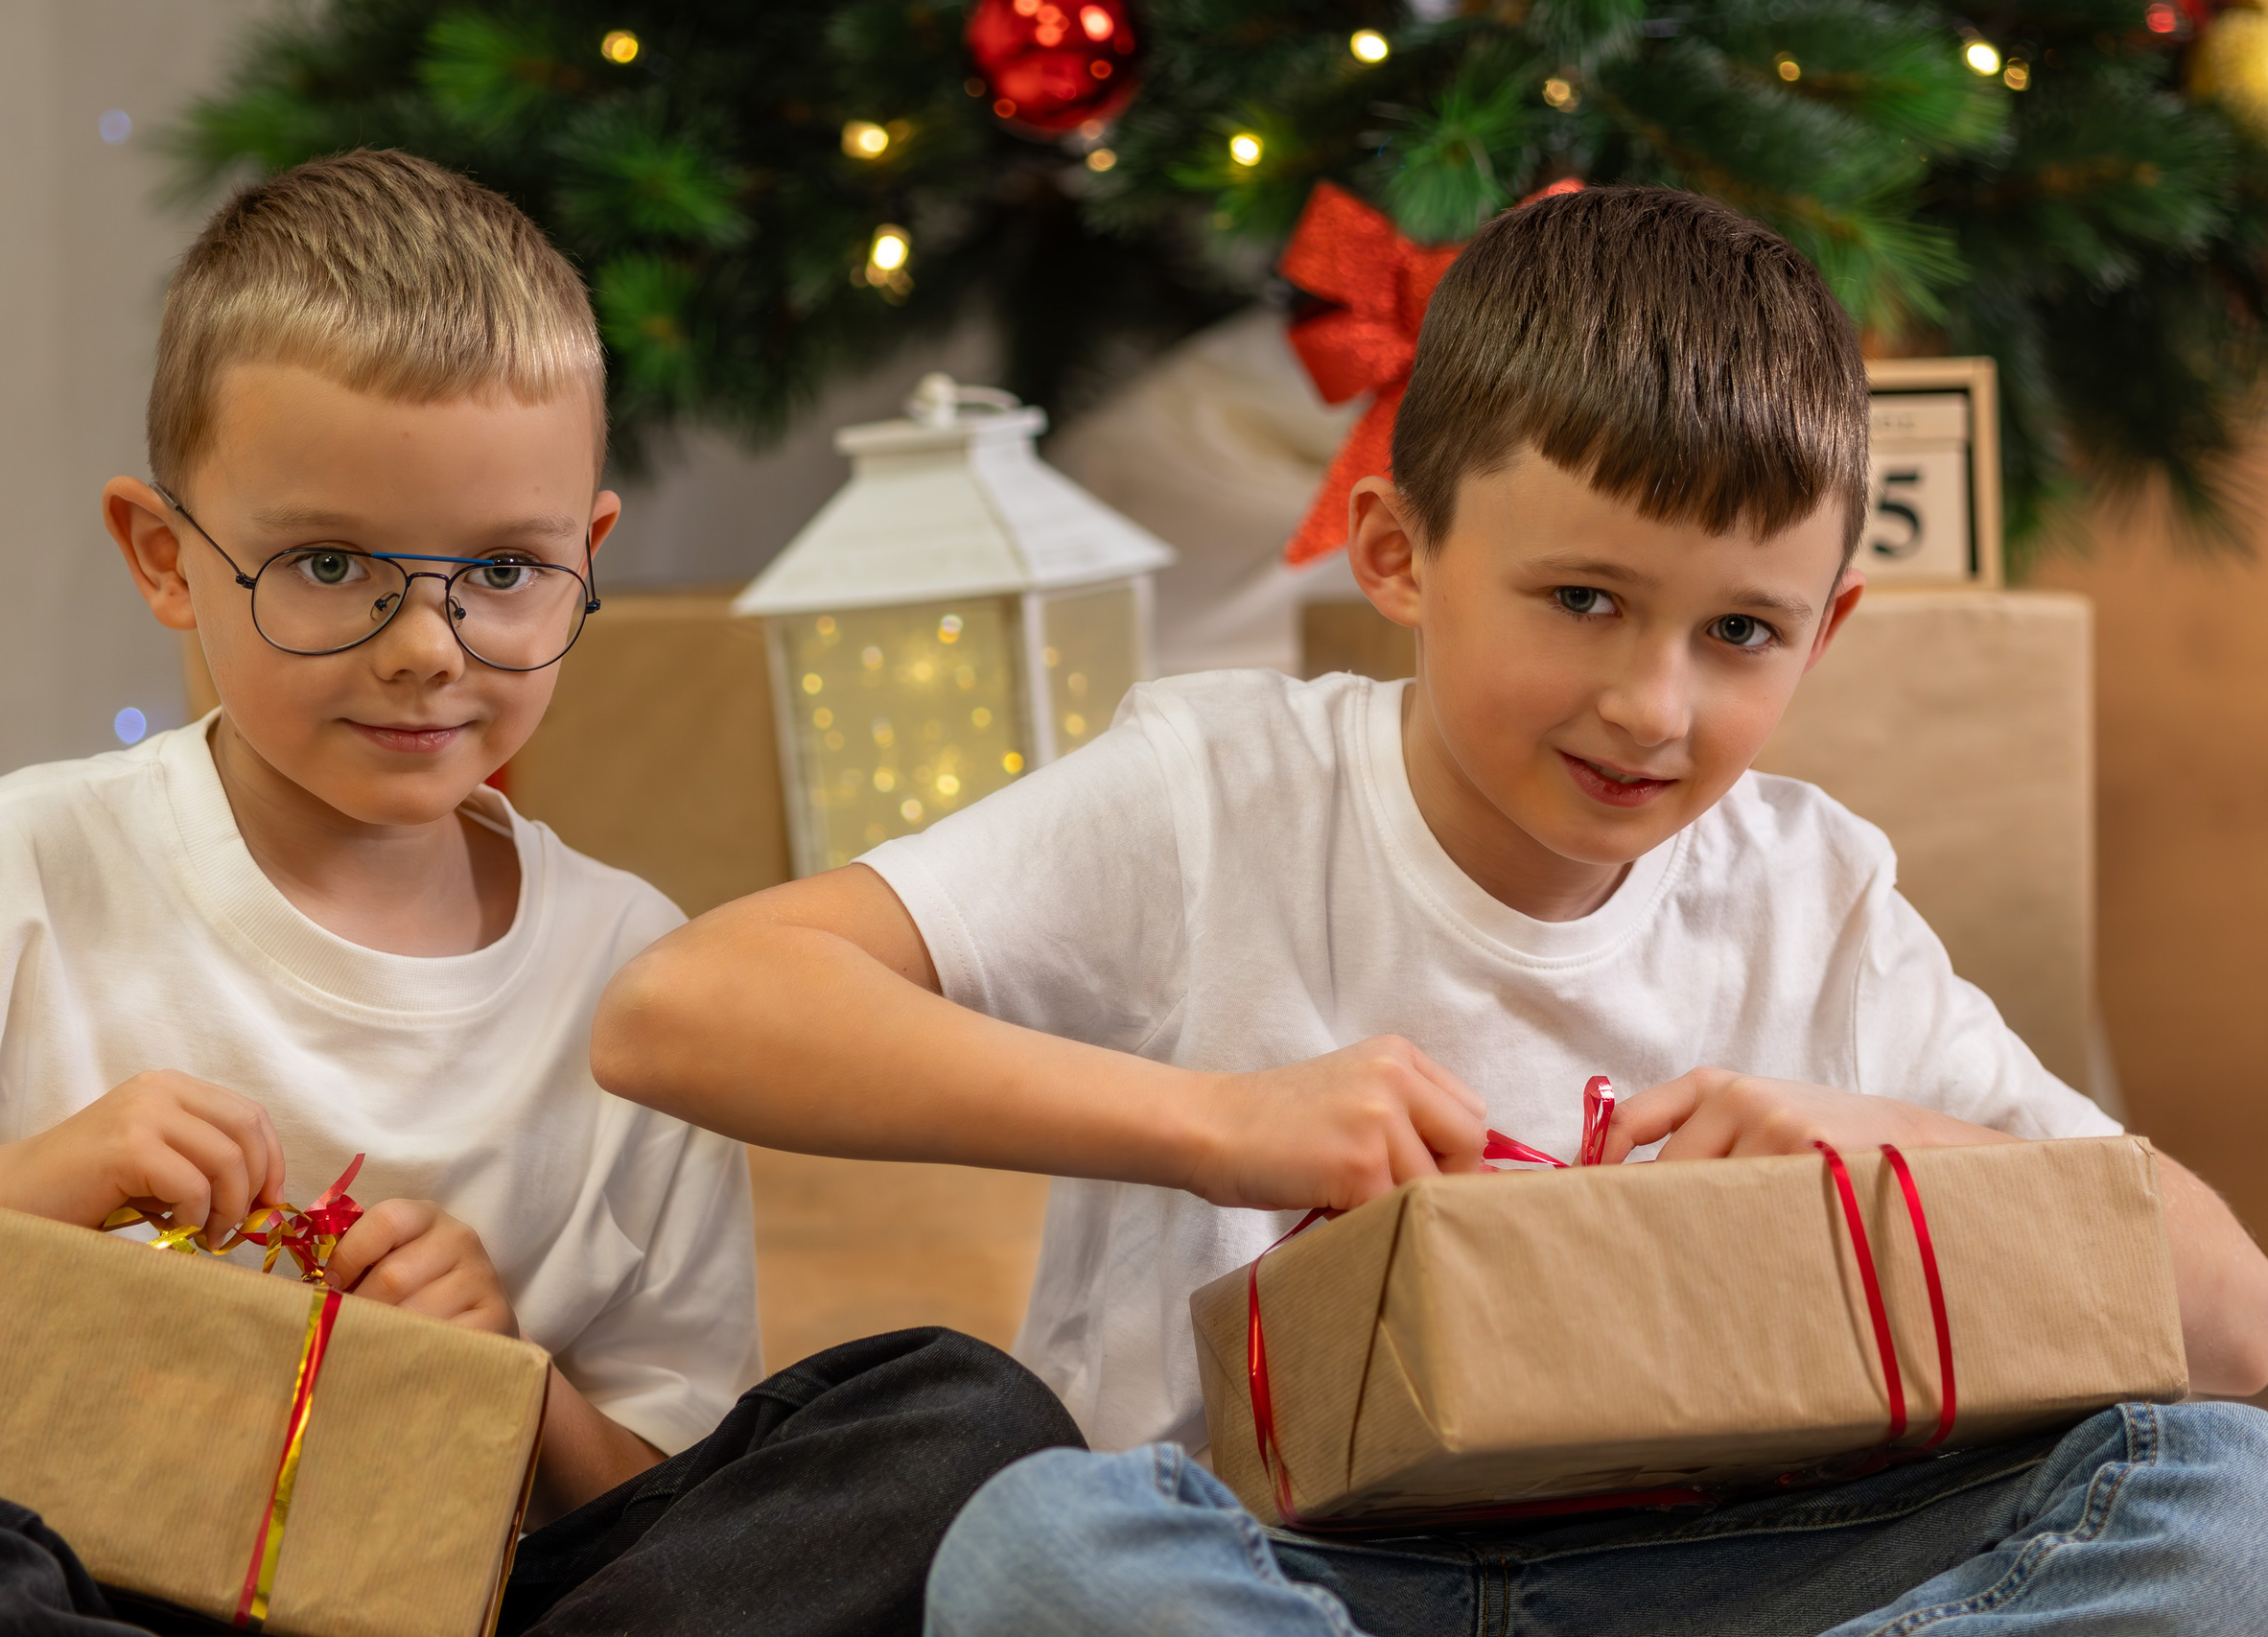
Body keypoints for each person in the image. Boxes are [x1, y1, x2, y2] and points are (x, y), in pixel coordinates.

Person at [595, 187, 2268, 1634]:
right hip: (1280, 1566)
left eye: (1739, 635)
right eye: (1583, 599)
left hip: (1732, 1578)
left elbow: (2231, 1320)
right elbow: (685, 1008)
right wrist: (1212, 1124)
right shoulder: (1218, 794)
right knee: (1043, 1549)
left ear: (1828, 630)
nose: (1651, 707)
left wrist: (1892, 1146)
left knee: (2228, 1502)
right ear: (1397, 556)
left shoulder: (1816, 892)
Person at [0, 151, 1074, 1637]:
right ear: (167, 558)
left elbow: (658, 1491)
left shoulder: (631, 973)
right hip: (79, 1585)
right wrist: (5, 1191)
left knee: (966, 1421)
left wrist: (511, 1393)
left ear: (585, 561)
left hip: (477, 1596)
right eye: (332, 563)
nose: (429, 647)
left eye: (501, 569)